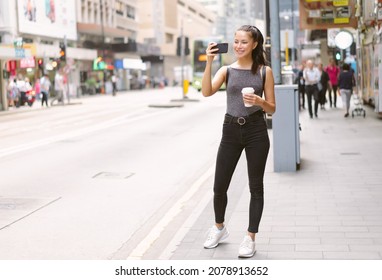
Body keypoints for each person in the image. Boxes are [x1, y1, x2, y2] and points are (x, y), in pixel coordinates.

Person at [201, 25, 275, 258]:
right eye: (236, 41)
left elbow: (272, 108)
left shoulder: (265, 72)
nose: (238, 46)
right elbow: (206, 92)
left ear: (254, 44)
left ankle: (250, 237)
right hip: (230, 129)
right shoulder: (226, 70)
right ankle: (219, 227)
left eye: (244, 42)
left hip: (256, 130)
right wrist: (209, 62)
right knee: (219, 185)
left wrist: (259, 101)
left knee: (256, 187)